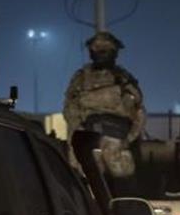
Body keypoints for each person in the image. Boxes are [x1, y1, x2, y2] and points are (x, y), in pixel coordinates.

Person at [62, 31, 145, 178]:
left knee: (122, 177)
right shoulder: (81, 78)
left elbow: (138, 112)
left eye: (105, 50)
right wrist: (76, 137)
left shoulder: (122, 79)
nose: (101, 54)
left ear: (114, 53)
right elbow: (71, 110)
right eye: (97, 50)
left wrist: (129, 139)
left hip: (117, 140)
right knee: (88, 178)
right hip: (88, 138)